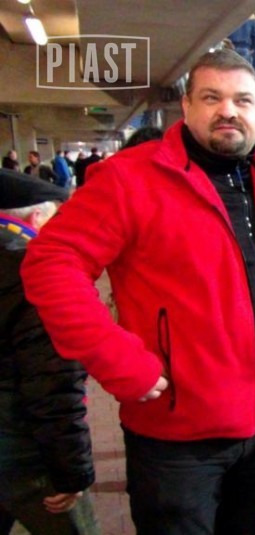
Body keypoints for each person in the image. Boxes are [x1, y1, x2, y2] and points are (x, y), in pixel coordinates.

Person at [20, 49, 255, 535]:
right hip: (175, 438)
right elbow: (51, 262)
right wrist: (115, 357)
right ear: (187, 106)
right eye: (212, 98)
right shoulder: (129, 178)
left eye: (242, 100)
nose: (228, 110)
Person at [0, 169, 99, 535]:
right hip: (24, 456)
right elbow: (52, 383)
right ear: (36, 218)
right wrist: (71, 472)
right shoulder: (34, 274)